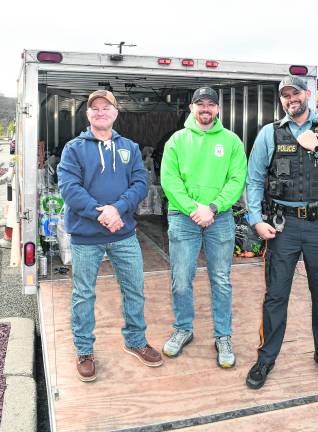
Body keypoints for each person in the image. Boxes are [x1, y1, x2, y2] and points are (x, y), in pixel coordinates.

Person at [245, 76, 318, 389]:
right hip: (283, 226)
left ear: (307, 95)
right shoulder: (270, 133)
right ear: (281, 100)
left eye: (295, 93)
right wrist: (256, 219)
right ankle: (266, 357)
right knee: (275, 295)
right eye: (285, 95)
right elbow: (253, 179)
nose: (290, 99)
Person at [57, 89, 163, 382]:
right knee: (83, 294)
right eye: (95, 108)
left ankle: (136, 341)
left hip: (123, 234)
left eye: (106, 108)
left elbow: (141, 182)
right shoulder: (74, 148)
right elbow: (69, 187)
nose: (101, 112)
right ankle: (84, 351)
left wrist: (118, 209)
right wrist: (100, 213)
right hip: (85, 236)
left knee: (134, 288)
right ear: (88, 114)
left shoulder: (128, 146)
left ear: (116, 113)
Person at [160, 87, 247, 368]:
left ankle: (223, 336)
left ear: (218, 109)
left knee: (220, 279)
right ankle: (183, 329)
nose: (206, 109)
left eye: (211, 104)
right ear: (191, 108)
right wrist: (193, 208)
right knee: (181, 278)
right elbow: (169, 181)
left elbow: (236, 180)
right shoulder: (176, 141)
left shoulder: (231, 141)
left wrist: (212, 208)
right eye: (201, 104)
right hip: (184, 217)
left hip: (219, 217)